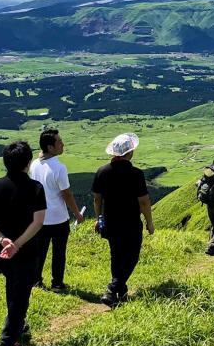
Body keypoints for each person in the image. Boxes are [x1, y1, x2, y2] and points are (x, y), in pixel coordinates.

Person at [0, 141, 46, 346]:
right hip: (27, 250)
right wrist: (17, 244)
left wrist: (2, 238)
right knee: (21, 296)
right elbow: (38, 222)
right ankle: (8, 343)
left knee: (13, 290)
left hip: (2, 251)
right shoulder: (36, 188)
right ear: (28, 163)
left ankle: (18, 327)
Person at [91, 132, 154, 306]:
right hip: (131, 221)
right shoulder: (136, 174)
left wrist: (98, 219)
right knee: (132, 256)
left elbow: (97, 199)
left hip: (110, 220)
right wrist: (149, 222)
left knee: (116, 255)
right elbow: (144, 201)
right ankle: (112, 289)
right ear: (129, 152)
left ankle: (121, 290)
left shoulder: (102, 171)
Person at [29, 127, 85, 292]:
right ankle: (57, 283)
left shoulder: (34, 164)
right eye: (59, 142)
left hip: (39, 217)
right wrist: (76, 213)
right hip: (58, 217)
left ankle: (36, 280)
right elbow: (66, 194)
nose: (62, 144)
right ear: (50, 147)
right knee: (59, 252)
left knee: (40, 251)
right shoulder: (59, 168)